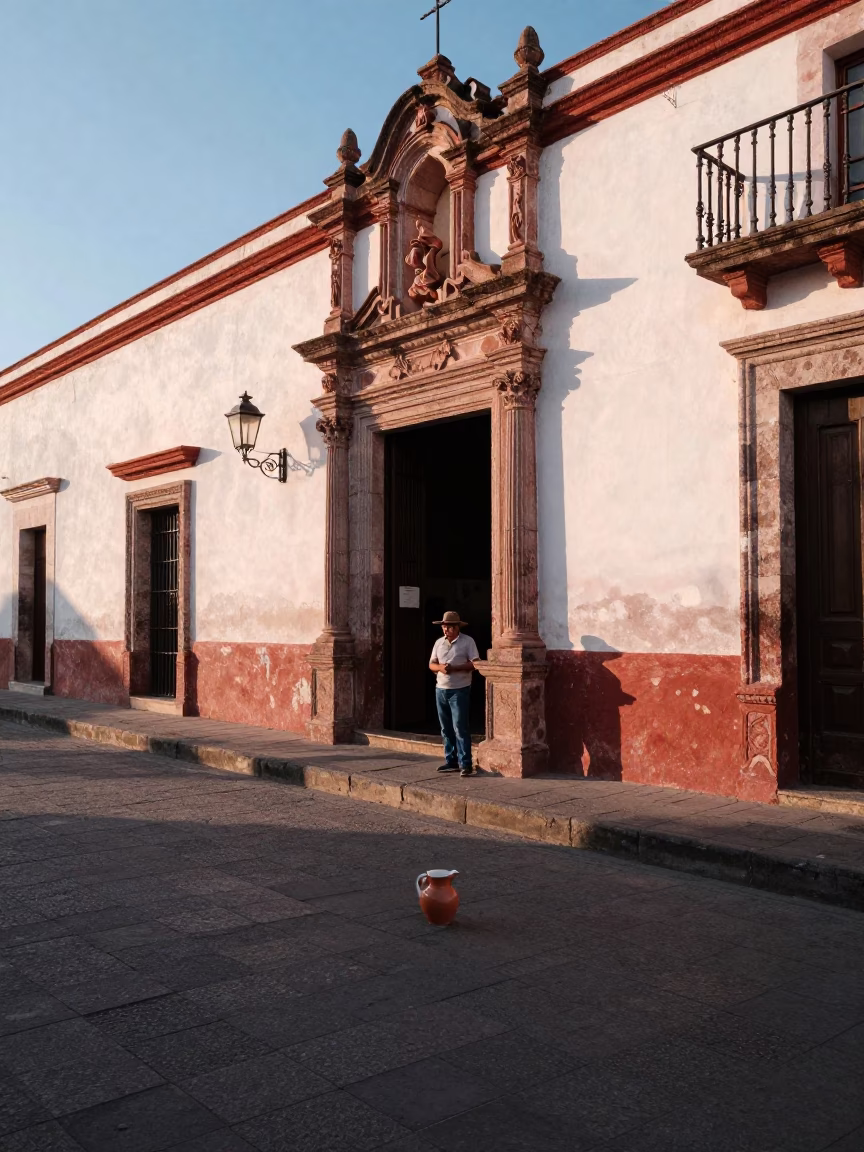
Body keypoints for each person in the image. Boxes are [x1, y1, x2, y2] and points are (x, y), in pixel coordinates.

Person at [429, 610, 480, 776]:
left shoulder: (467, 642)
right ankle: (451, 761)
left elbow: (475, 663)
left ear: (457, 628)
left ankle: (465, 763)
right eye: (444, 627)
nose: (446, 630)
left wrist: (455, 668)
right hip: (441, 689)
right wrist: (441, 668)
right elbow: (432, 664)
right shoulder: (439, 643)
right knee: (445, 728)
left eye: (449, 627)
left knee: (460, 727)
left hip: (460, 689)